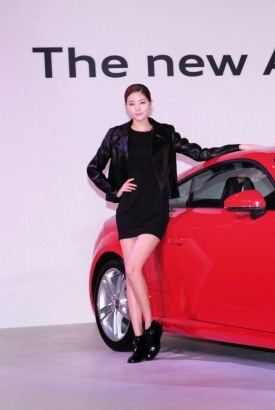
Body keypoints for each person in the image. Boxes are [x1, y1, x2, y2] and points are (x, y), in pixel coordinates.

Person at [87, 84, 259, 363]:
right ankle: (139, 340)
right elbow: (93, 168)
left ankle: (152, 326)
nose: (137, 108)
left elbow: (200, 153)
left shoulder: (164, 133)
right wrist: (115, 190)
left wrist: (237, 147)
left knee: (132, 267)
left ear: (150, 103)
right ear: (126, 106)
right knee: (132, 276)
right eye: (132, 103)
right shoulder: (116, 135)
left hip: (154, 209)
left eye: (142, 102)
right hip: (128, 211)